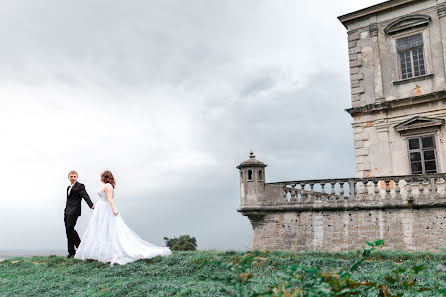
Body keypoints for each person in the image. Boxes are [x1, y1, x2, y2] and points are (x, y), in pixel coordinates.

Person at [74, 170, 171, 266]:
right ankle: (102, 252)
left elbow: (110, 199)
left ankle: (108, 253)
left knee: (107, 230)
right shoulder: (108, 186)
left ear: (104, 177)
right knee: (102, 230)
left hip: (105, 209)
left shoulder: (107, 186)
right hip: (101, 209)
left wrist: (114, 210)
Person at [64, 170, 94, 258]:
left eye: (74, 176)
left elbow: (85, 195)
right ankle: (71, 252)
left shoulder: (80, 186)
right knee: (68, 230)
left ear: (77, 177)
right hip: (67, 210)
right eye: (71, 176)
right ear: (68, 177)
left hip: (74, 210)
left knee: (70, 228)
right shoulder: (68, 187)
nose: (73, 178)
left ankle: (81, 248)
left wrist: (91, 205)